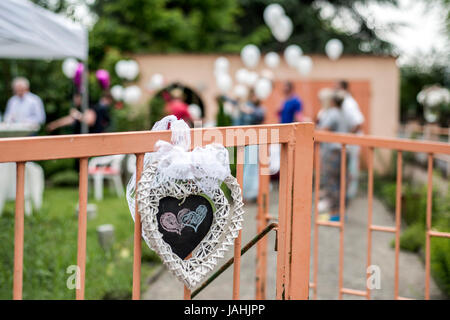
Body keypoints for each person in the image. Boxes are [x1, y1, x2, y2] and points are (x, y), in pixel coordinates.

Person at [316, 90, 351, 221]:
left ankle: (334, 213)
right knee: (342, 182)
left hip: (333, 152)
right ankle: (341, 212)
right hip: (345, 150)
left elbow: (324, 130)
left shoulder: (332, 114)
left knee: (332, 182)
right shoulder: (345, 114)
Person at [336, 80, 365, 200]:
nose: (334, 90)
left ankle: (350, 193)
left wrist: (348, 137)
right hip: (349, 141)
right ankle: (346, 192)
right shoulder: (344, 102)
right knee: (347, 167)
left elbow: (359, 123)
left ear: (343, 88)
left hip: (352, 142)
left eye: (336, 87)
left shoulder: (349, 103)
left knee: (352, 167)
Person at [240, 90, 266, 202]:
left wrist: (250, 111)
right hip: (245, 140)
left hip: (255, 140)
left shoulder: (260, 109)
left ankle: (254, 193)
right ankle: (245, 194)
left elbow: (260, 117)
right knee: (246, 166)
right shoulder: (245, 107)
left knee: (253, 166)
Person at [47, 92, 113, 134]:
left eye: (76, 97)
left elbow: (89, 120)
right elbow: (70, 119)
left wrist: (77, 115)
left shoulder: (91, 107)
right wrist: (55, 124)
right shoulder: (80, 109)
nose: (74, 99)